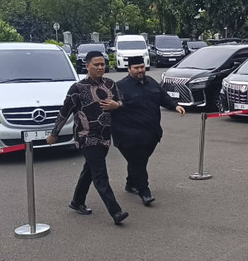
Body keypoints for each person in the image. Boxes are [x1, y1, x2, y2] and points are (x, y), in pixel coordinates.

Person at [47, 51, 128, 225]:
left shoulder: (110, 84)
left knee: (89, 170)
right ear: (87, 66)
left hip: (105, 136)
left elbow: (123, 103)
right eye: (96, 64)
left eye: (102, 64)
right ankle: (116, 212)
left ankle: (77, 201)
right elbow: (65, 112)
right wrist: (55, 133)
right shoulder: (78, 88)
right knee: (100, 175)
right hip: (86, 136)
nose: (100, 67)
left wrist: (117, 105)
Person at [111, 56, 186, 206]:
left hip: (151, 134)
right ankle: (144, 192)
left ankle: (130, 183)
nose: (140, 70)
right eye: (136, 68)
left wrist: (175, 105)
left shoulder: (150, 82)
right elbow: (109, 106)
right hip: (128, 135)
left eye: (142, 67)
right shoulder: (119, 87)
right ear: (129, 69)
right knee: (138, 162)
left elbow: (163, 96)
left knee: (140, 161)